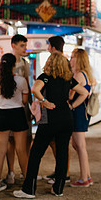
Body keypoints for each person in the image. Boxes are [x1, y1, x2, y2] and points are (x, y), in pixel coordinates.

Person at [13, 52, 89, 198]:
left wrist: (44, 101)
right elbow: (85, 93)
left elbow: (35, 89)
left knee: (36, 154)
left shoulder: (45, 77)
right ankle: (58, 188)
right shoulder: (69, 79)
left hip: (50, 119)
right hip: (66, 119)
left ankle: (29, 189)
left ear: (49, 63)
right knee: (62, 153)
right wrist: (72, 106)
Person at [0, 53, 29, 192]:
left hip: (2, 115)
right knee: (21, 150)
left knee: (0, 150)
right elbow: (25, 101)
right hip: (18, 114)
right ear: (14, 65)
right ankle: (27, 181)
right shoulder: (21, 81)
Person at [42, 35, 71, 184]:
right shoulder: (66, 62)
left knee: (59, 147)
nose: (47, 48)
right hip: (64, 112)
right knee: (60, 145)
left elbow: (69, 85)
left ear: (52, 47)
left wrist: (43, 101)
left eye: (48, 45)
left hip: (54, 111)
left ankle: (63, 174)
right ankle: (60, 175)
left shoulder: (57, 62)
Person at [4, 34, 32, 185]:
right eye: (22, 45)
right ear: (13, 45)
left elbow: (28, 84)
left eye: (25, 46)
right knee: (10, 141)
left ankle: (24, 171)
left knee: (26, 140)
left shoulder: (25, 63)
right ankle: (11, 172)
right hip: (11, 107)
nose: (24, 49)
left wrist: (31, 107)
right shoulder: (7, 61)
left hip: (23, 107)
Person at [69, 48, 96, 187]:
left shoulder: (78, 75)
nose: (70, 59)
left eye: (72, 57)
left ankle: (84, 178)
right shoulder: (87, 74)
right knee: (79, 145)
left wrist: (72, 105)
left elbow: (73, 95)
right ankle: (87, 175)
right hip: (83, 113)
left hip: (78, 113)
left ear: (78, 59)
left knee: (79, 146)